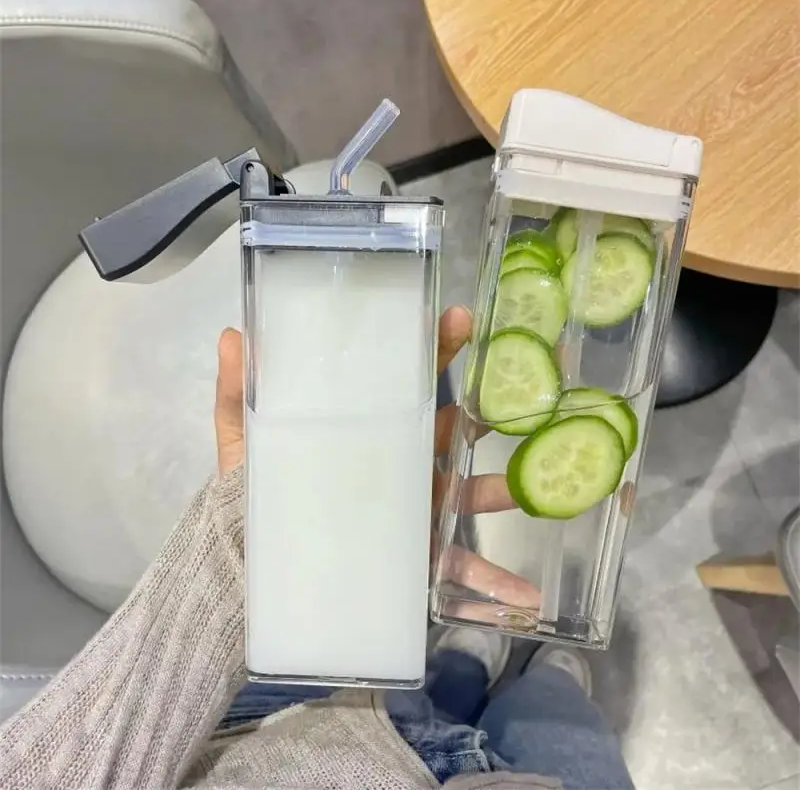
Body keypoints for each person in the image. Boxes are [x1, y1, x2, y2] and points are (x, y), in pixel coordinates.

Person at [0, 306, 633, 790]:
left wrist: (253, 547)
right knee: (556, 719)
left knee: (430, 684)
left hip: (251, 721)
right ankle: (544, 679)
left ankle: (464, 666)